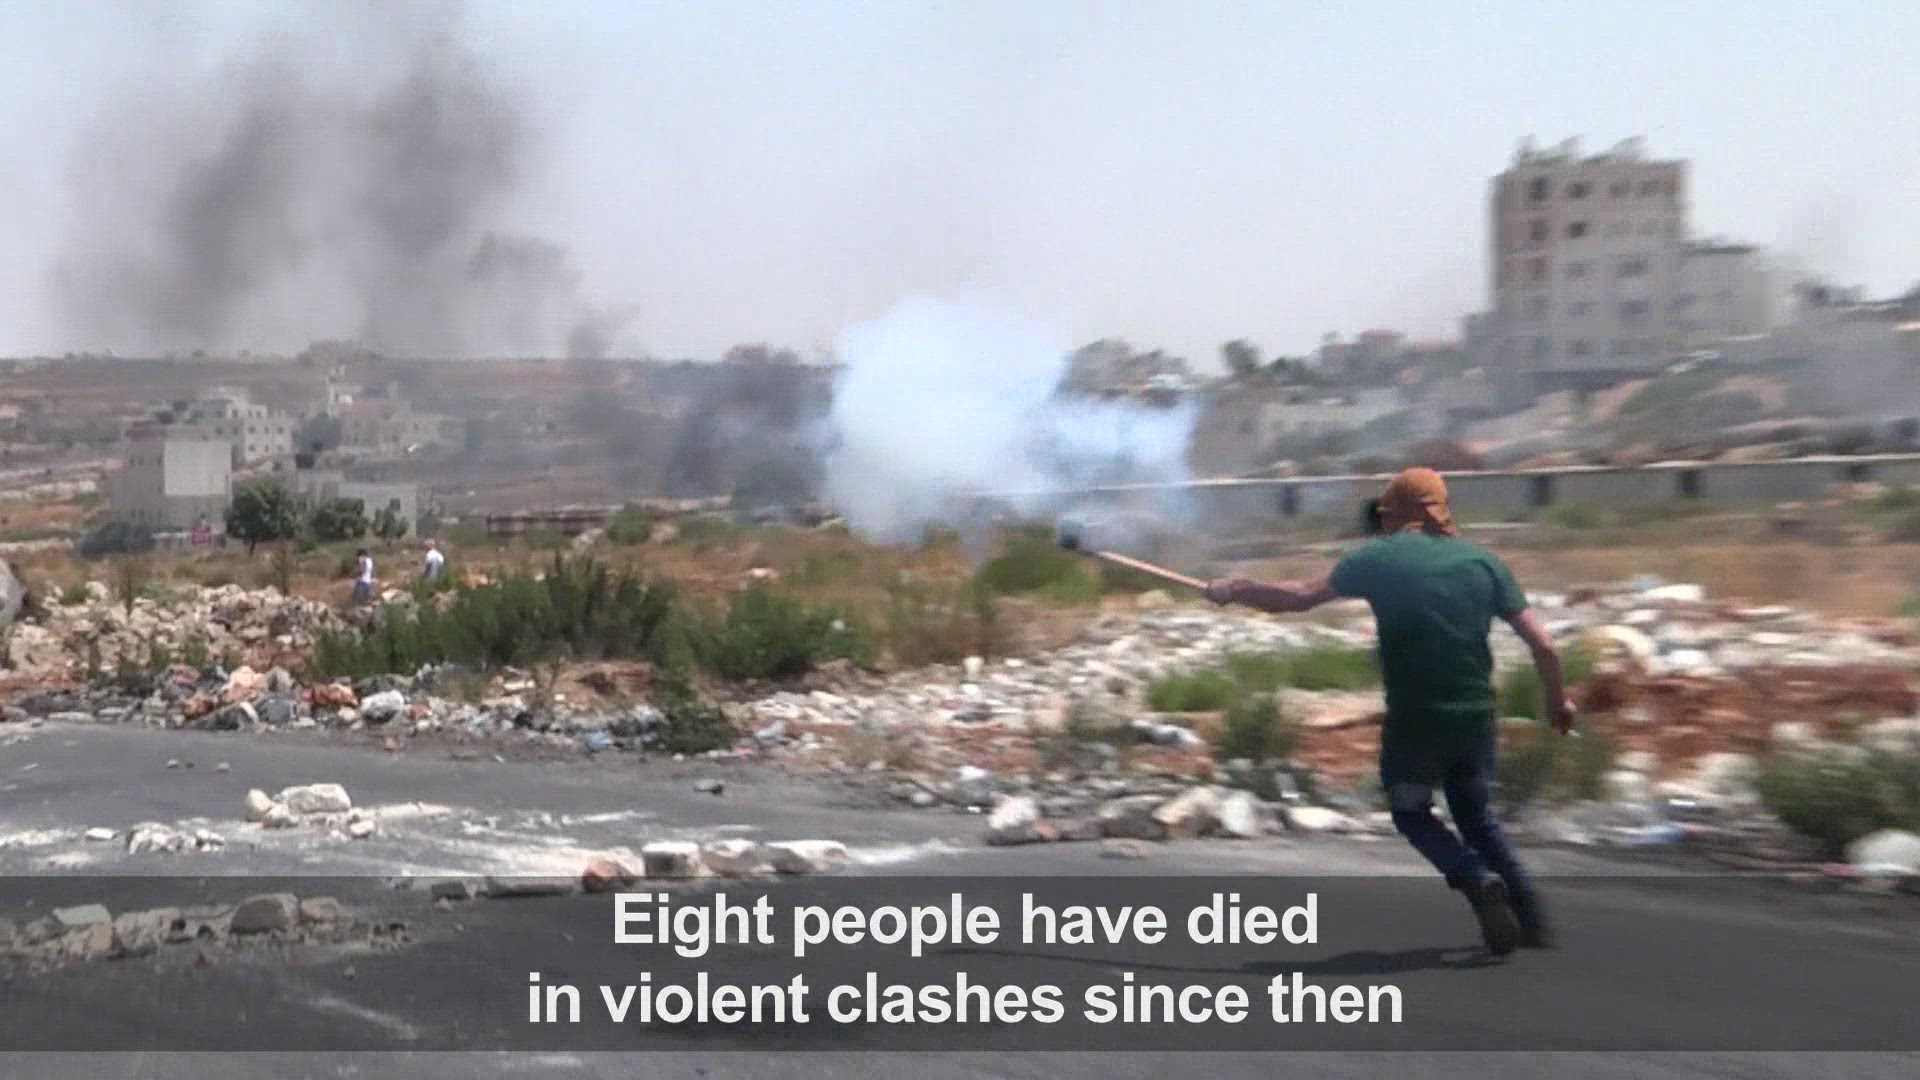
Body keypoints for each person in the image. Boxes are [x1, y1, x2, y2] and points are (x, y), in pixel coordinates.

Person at [1204, 467, 1574, 956]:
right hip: (1475, 717)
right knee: (1477, 818)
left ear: (1397, 513)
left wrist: (1236, 590)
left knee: (1410, 812)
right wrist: (1557, 701)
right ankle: (1533, 923)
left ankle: (1472, 877)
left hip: (1415, 720)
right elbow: (1544, 645)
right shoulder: (1485, 563)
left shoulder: (1377, 558)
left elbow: (1297, 598)